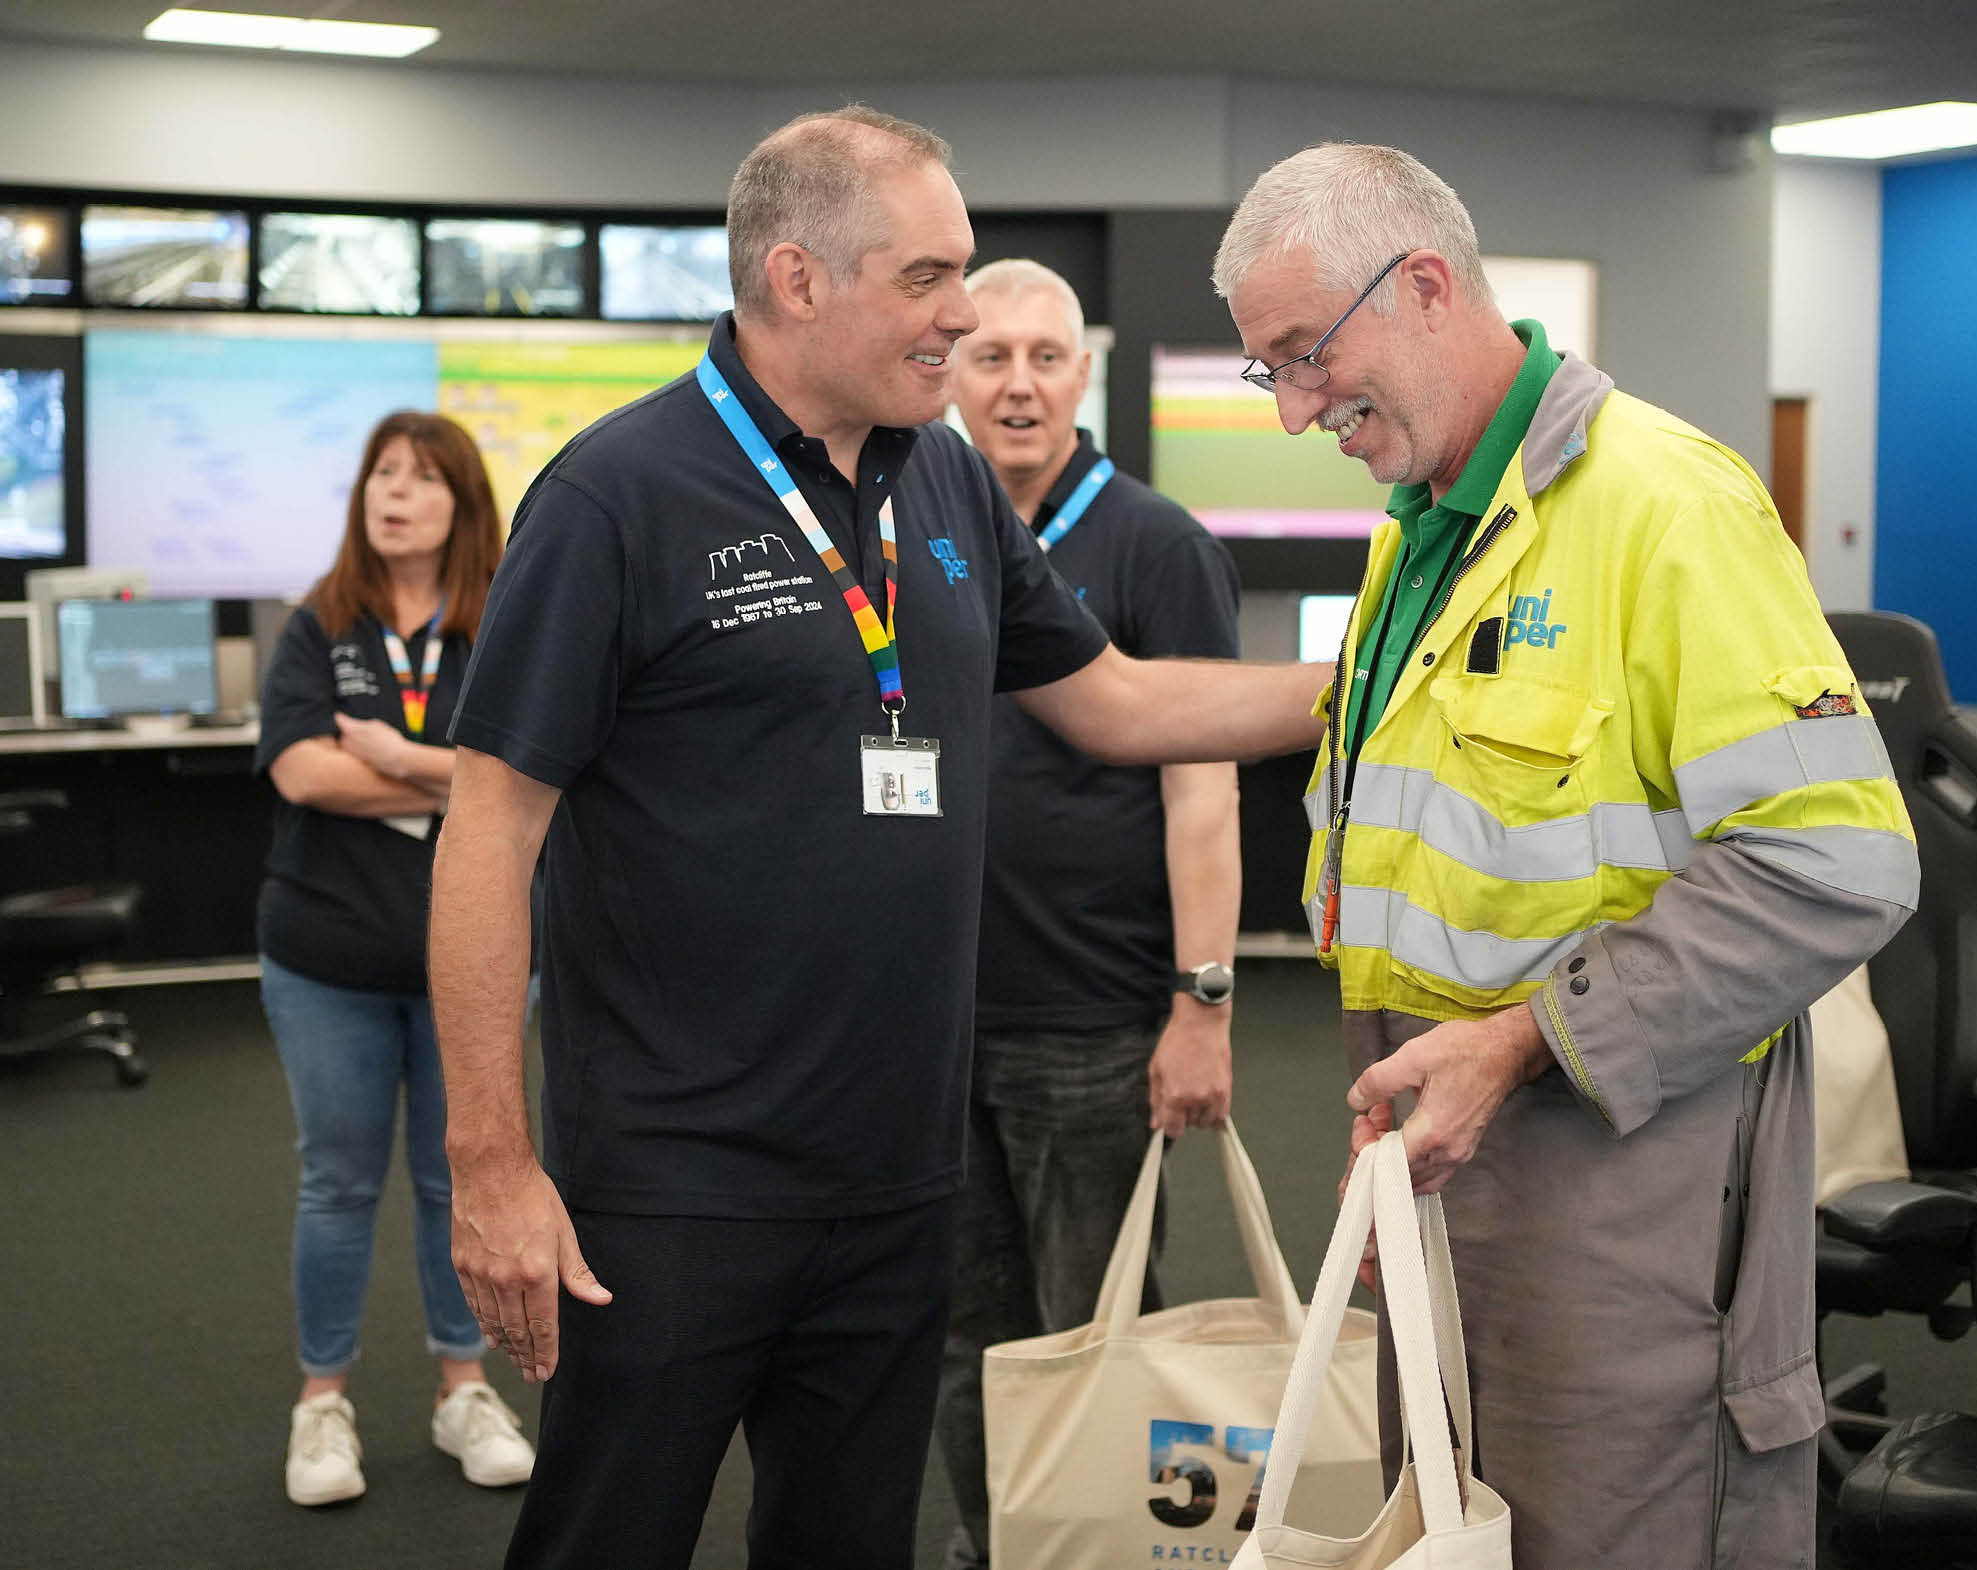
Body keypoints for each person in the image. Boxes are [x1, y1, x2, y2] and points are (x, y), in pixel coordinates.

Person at [427, 107, 1327, 1570]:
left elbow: (1116, 701)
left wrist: (1365, 684)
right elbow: (488, 831)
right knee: (609, 1536)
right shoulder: (616, 495)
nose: (961, 315)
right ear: (796, 279)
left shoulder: (944, 479)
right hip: (678, 1182)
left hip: (901, 1172)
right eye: (927, 278)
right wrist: (489, 1163)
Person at [1213, 143, 1920, 1569]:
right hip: (1441, 1146)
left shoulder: (1668, 505)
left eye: (1305, 356)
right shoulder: (1422, 530)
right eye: (1266, 371)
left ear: (1423, 285)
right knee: (1453, 1529)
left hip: (1623, 1176)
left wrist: (1523, 1040)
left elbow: (1838, 863)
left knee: (1605, 1531)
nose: (1292, 409)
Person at [932, 258, 1243, 1569]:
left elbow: (1203, 791)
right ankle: (994, 1541)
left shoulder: (1155, 544)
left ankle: (1107, 1552)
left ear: (1083, 375)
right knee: (964, 1336)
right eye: (990, 354)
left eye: (1045, 357)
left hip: (1093, 1024)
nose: (1018, 385)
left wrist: (1203, 1004)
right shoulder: (914, 529)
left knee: (1098, 1329)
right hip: (930, 1018)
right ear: (949, 371)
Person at [255, 410, 535, 1508]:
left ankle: (464, 1388)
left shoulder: (503, 622)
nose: (394, 495)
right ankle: (321, 1403)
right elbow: (301, 775)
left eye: (420, 479)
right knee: (337, 1181)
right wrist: (453, 773)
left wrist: (389, 753)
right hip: (325, 955)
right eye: (382, 475)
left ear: (463, 503)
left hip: (472, 963)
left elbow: (538, 771)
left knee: (456, 1177)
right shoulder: (318, 624)